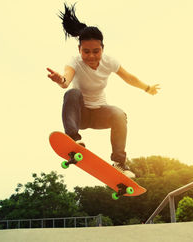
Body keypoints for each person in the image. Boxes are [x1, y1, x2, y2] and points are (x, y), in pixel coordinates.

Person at [47, 3, 160, 178]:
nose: (91, 56)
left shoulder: (110, 62)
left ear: (102, 49)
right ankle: (73, 140)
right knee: (72, 93)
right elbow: (65, 81)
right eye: (86, 52)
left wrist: (147, 88)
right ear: (79, 50)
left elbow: (129, 77)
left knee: (119, 114)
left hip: (100, 114)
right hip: (80, 115)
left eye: (96, 51)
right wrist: (59, 80)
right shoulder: (74, 62)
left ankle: (119, 163)